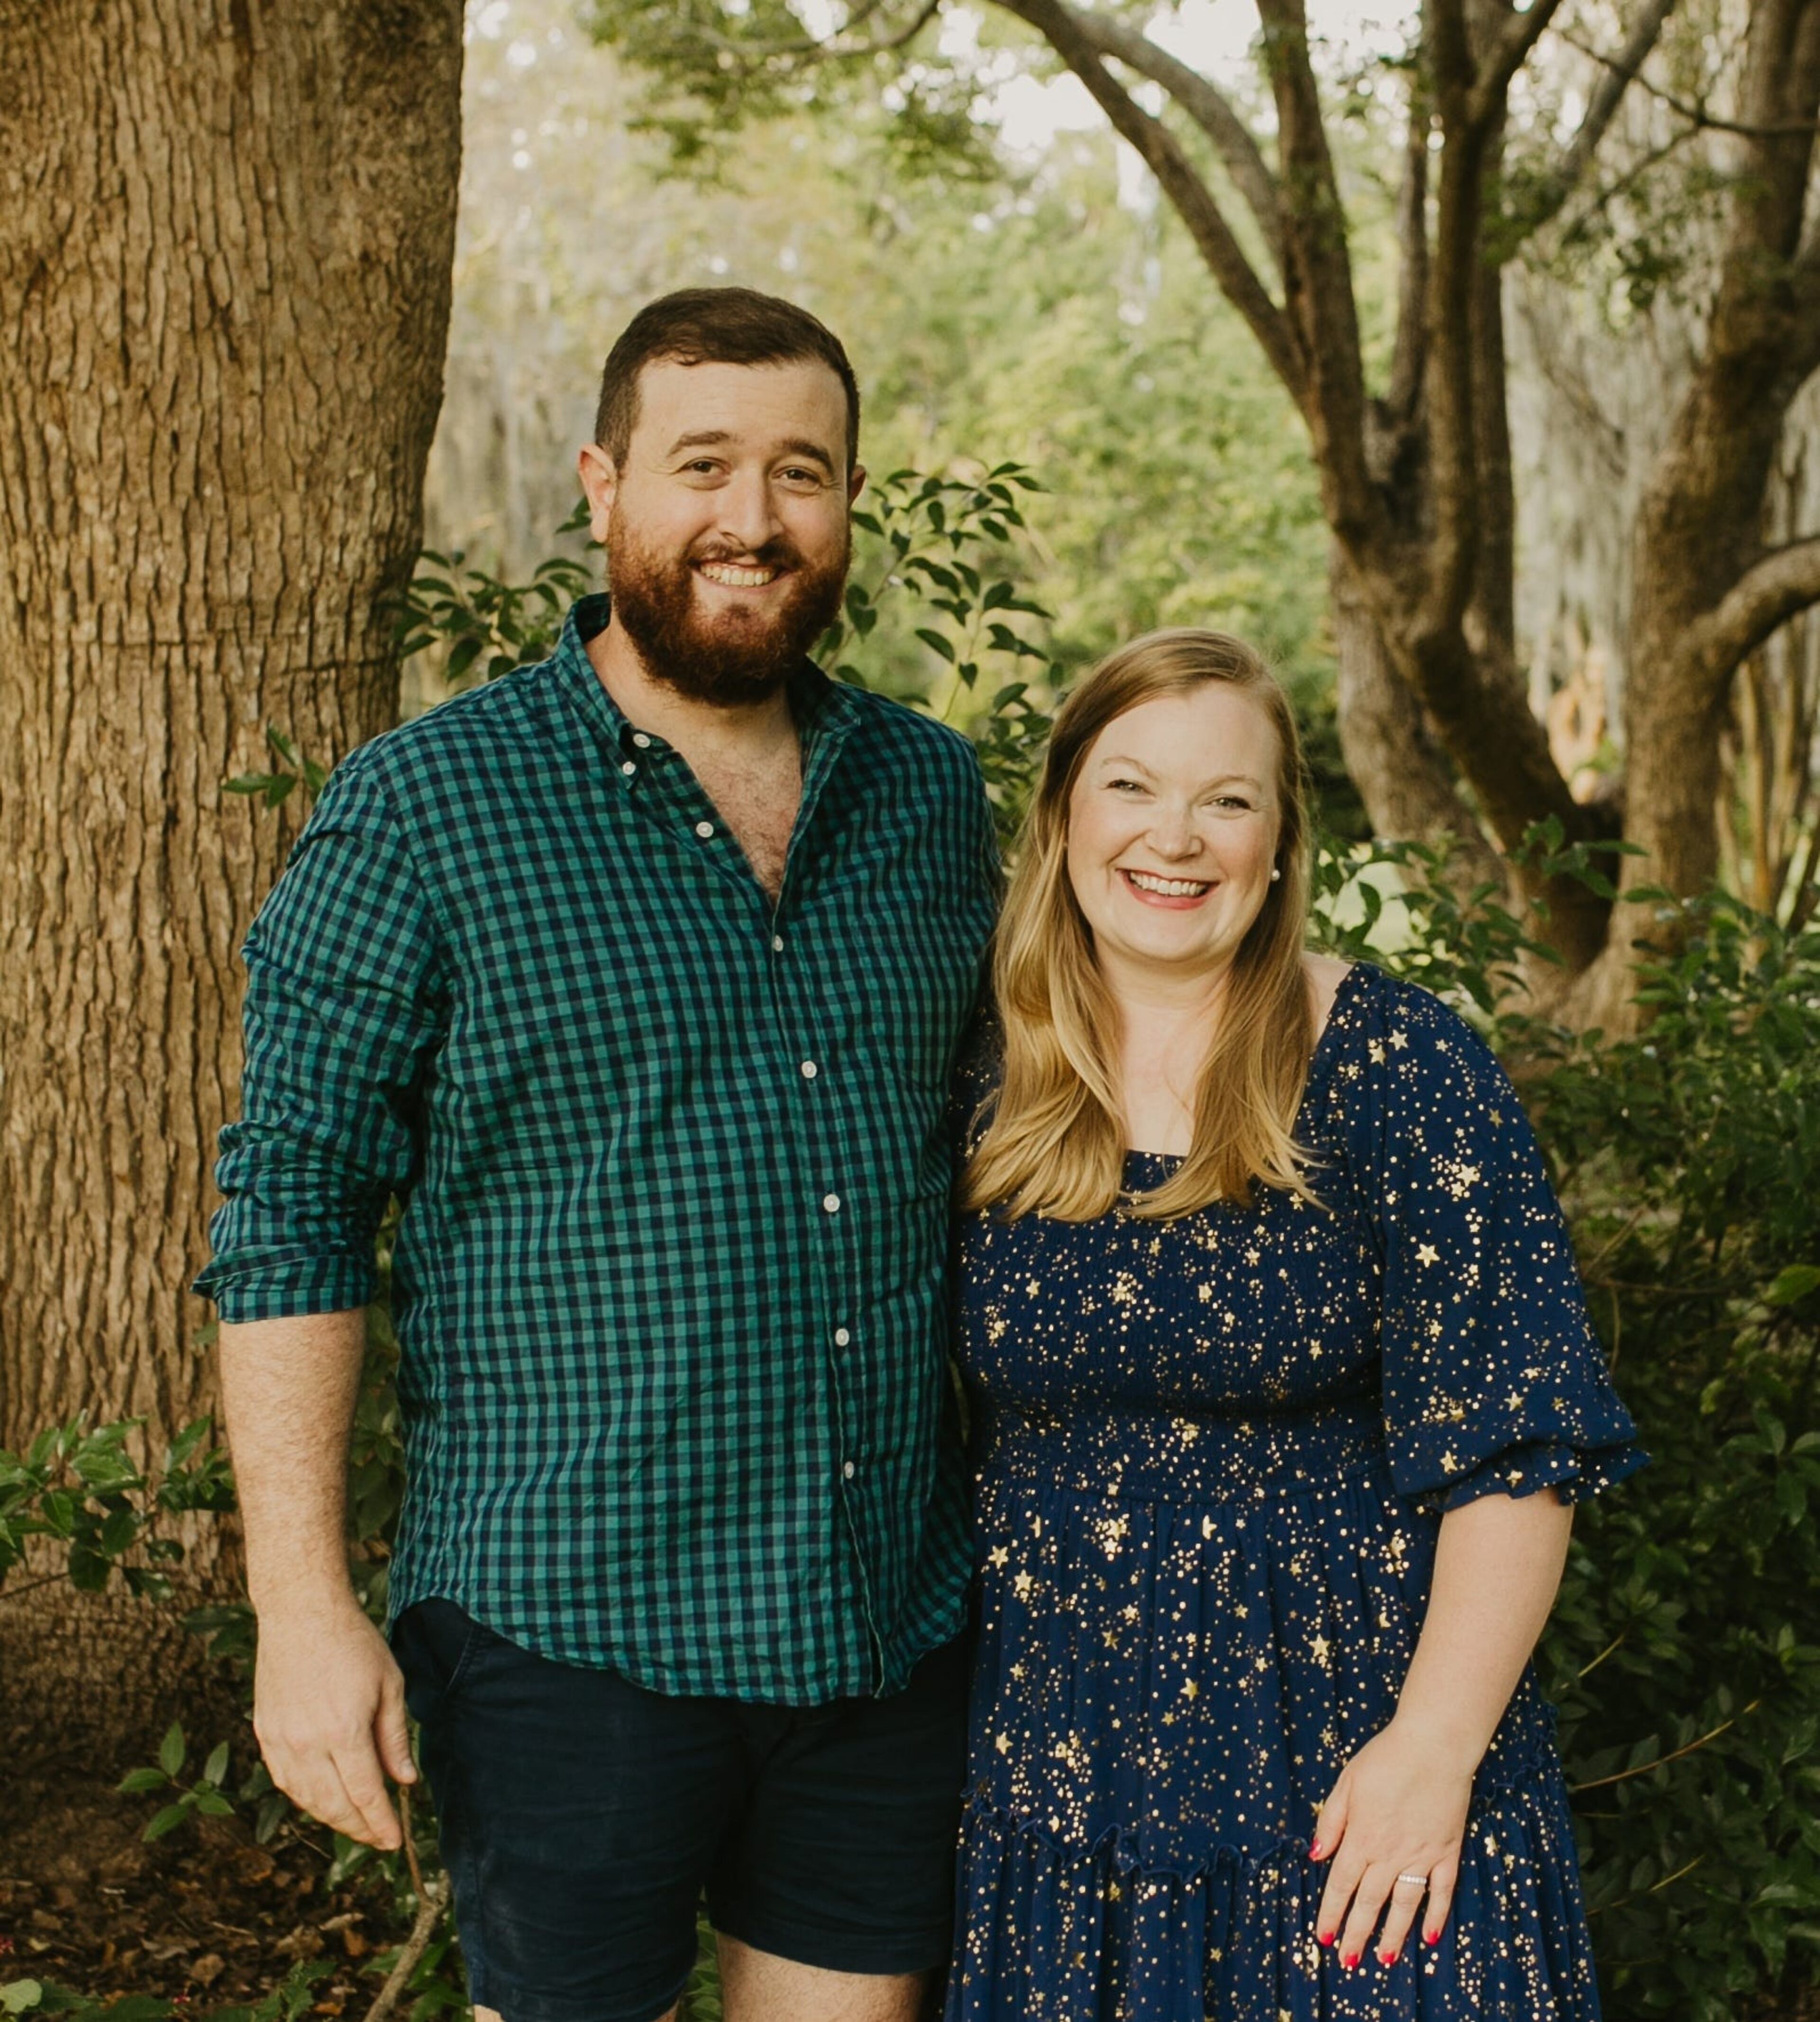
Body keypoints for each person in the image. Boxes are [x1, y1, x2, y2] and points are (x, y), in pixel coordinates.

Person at [196, 288, 1000, 2022]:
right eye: (702, 463)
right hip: (574, 1625)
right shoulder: (427, 808)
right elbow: (291, 1219)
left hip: (883, 1619)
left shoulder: (933, 801)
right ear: (602, 485)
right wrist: (302, 1609)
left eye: (802, 472)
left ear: (849, 503)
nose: (752, 517)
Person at [945, 628, 1645, 2019]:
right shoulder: (981, 1067)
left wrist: (1433, 1751)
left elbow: (1520, 1446)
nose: (1177, 837)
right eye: (1133, 787)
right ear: (1066, 816)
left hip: (1350, 1775)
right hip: (1058, 1785)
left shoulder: (1396, 1063)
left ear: (1279, 840)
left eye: (1229, 799)